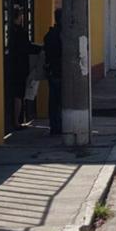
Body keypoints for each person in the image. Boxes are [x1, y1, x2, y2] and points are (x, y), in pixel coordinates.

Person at [8, 5, 36, 129]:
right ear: (19, 17)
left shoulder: (8, 30)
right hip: (20, 66)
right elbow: (27, 47)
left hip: (10, 64)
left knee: (13, 93)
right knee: (19, 94)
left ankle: (14, 120)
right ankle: (16, 121)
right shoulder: (21, 32)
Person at [43, 8, 63, 136]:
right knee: (61, 101)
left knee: (53, 101)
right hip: (61, 71)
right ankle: (59, 126)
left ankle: (54, 126)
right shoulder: (64, 34)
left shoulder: (49, 35)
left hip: (52, 71)